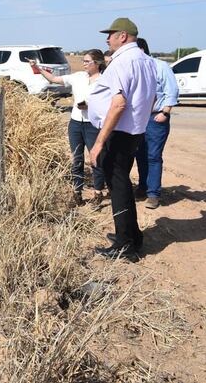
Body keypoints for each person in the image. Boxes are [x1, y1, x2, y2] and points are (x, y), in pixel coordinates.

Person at [87, 18, 157, 261]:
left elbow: (118, 104)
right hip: (133, 132)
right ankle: (131, 236)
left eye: (111, 34)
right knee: (122, 185)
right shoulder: (146, 61)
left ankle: (125, 245)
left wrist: (98, 143)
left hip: (118, 134)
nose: (107, 39)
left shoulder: (123, 62)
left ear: (123, 36)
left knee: (118, 187)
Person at [30, 50, 107, 207]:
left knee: (96, 159)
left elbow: (108, 104)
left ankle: (98, 193)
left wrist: (90, 105)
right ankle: (77, 193)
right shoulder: (78, 77)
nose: (84, 63)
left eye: (87, 61)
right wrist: (37, 67)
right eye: (83, 60)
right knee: (77, 159)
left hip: (93, 125)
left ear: (97, 63)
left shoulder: (105, 81)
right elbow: (53, 78)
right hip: (75, 123)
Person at [134, 38, 179, 209]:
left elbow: (172, 90)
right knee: (140, 155)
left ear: (141, 49)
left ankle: (153, 194)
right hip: (139, 118)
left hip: (155, 118)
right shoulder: (136, 69)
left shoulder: (160, 66)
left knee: (153, 156)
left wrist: (165, 112)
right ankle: (142, 187)